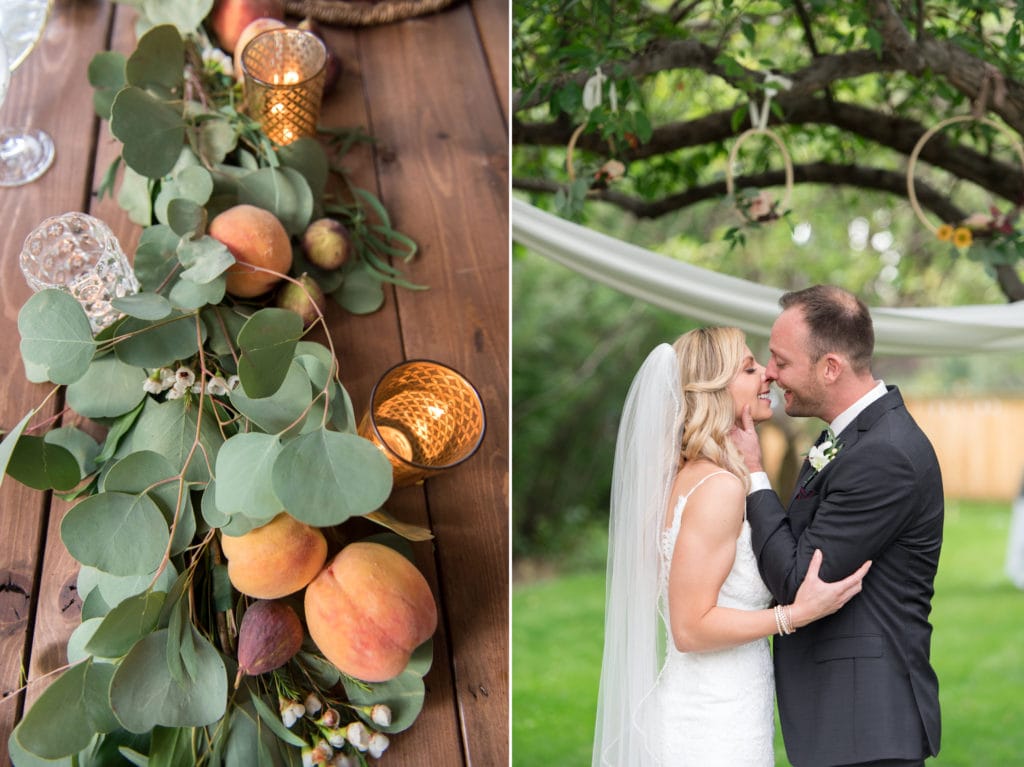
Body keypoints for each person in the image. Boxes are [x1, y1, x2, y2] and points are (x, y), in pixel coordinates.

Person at [593, 327, 871, 767]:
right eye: (748, 367)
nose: (768, 374)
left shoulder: (691, 476)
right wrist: (793, 615)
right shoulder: (718, 487)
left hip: (723, 705)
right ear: (715, 390)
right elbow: (690, 628)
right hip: (711, 724)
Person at [732, 285, 943, 767]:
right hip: (847, 719)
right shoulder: (853, 439)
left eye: (781, 361)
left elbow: (797, 581)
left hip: (865, 725)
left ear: (830, 367)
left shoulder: (884, 453)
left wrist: (754, 472)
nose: (770, 373)